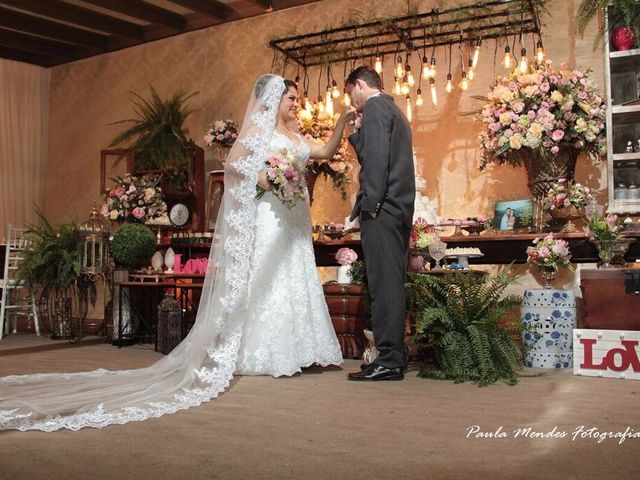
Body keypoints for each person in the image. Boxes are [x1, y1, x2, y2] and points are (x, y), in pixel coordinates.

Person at [0, 74, 354, 432]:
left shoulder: (295, 137)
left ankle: (302, 350)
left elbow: (323, 152)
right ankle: (265, 351)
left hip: (292, 221)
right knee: (268, 281)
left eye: (295, 98)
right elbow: (234, 165)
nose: (295, 103)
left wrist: (341, 124)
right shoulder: (258, 133)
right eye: (290, 97)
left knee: (296, 278)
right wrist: (265, 178)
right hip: (270, 220)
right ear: (273, 99)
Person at [344, 66, 415, 382]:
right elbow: (377, 152)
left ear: (359, 85)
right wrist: (357, 133)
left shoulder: (374, 106)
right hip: (397, 210)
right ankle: (394, 354)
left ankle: (388, 359)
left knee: (383, 287)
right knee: (391, 284)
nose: (352, 101)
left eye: (349, 94)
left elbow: (376, 162)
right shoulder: (392, 109)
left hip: (382, 210)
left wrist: (370, 206)